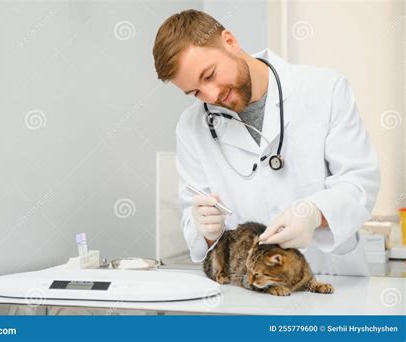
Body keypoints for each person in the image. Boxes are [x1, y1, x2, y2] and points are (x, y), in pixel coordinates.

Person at [152, 9, 380, 275]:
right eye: (195, 92)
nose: (212, 95)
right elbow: (195, 224)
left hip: (330, 280)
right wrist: (204, 227)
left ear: (230, 41)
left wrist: (314, 214)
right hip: (248, 289)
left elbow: (359, 182)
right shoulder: (192, 127)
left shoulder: (325, 89)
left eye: (210, 75)